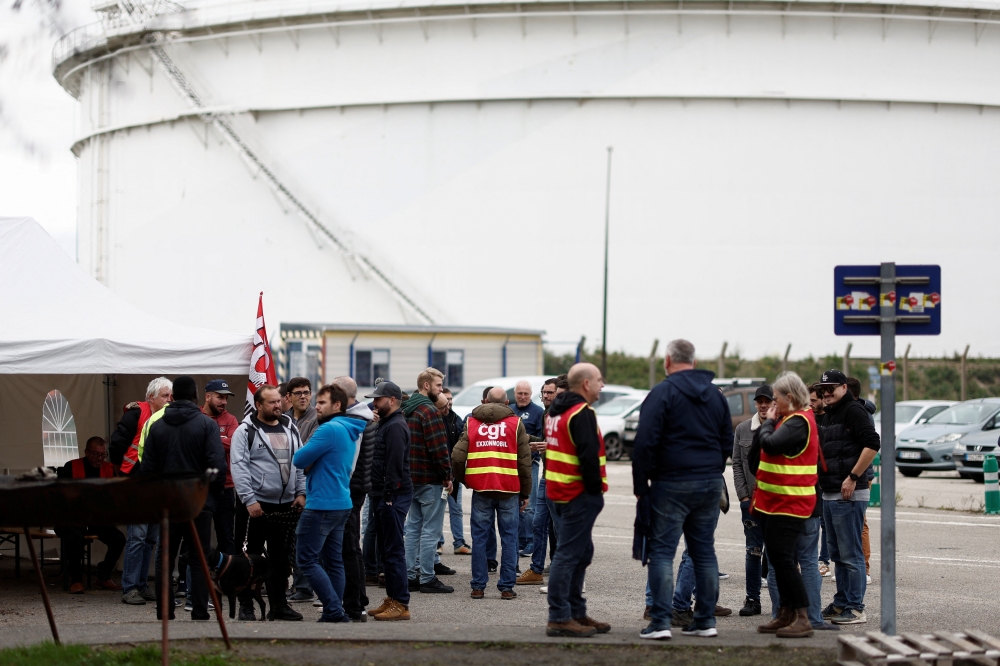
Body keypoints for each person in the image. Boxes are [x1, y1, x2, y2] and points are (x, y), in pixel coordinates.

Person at [633, 339, 731, 640]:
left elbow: (644, 442)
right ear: (694, 359)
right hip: (709, 482)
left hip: (671, 481)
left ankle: (661, 622)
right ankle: (704, 621)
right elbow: (727, 439)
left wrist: (641, 486)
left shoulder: (662, 392)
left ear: (667, 360)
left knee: (663, 552)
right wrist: (713, 468)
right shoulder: (716, 396)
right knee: (703, 552)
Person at [141, 375, 227, 621]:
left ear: (174, 396)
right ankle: (199, 611)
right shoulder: (206, 425)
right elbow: (218, 466)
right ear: (196, 396)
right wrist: (211, 499)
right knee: (199, 558)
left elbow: (148, 471)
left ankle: (164, 611)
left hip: (168, 503)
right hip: (198, 502)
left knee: (164, 558)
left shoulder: (157, 426)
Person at [750, 372, 820, 638]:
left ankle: (803, 617)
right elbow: (758, 453)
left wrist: (767, 422)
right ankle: (786, 612)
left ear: (788, 397)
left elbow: (769, 443)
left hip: (789, 502)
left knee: (783, 560)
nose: (772, 403)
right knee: (779, 560)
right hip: (773, 502)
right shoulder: (789, 420)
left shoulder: (798, 422)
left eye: (776, 397)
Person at [230, 384, 307, 621]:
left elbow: (300, 461)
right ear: (259, 405)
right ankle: (246, 606)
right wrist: (249, 500)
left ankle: (278, 606)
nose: (278, 405)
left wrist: (301, 492)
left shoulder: (290, 427)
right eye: (272, 402)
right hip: (256, 507)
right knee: (248, 559)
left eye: (278, 401)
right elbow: (239, 467)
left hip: (284, 507)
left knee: (280, 560)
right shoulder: (245, 431)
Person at [543, 363, 610, 638]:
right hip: (578, 494)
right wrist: (595, 492)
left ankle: (575, 612)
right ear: (585, 384)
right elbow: (588, 457)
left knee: (580, 553)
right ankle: (560, 617)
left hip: (560, 491)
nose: (602, 385)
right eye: (599, 380)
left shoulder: (555, 412)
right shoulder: (581, 413)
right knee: (569, 555)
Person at [293, 383, 365, 623]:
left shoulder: (329, 429)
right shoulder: (347, 427)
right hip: (340, 502)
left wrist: (311, 460)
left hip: (322, 505)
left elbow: (299, 458)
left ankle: (334, 610)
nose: (316, 406)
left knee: (306, 559)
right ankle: (336, 610)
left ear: (337, 405)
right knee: (334, 562)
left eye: (321, 402)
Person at [452, 387, 532, 600]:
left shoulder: (471, 422)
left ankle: (478, 586)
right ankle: (506, 587)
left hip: (482, 489)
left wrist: (466, 480)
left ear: (485, 401)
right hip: (509, 489)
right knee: (509, 538)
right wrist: (525, 492)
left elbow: (457, 457)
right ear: (507, 403)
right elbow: (524, 462)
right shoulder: (516, 424)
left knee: (479, 539)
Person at [816, 369, 880, 625]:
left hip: (848, 493)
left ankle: (855, 608)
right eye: (823, 390)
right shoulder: (830, 414)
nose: (826, 393)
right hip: (830, 492)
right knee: (838, 554)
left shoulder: (854, 410)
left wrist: (853, 477)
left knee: (851, 554)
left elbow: (872, 443)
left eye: (831, 388)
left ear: (844, 387)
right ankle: (842, 601)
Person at [109, 376, 172, 606]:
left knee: (149, 539)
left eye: (171, 396)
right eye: (165, 396)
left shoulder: (166, 419)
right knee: (137, 537)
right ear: (151, 397)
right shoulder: (135, 414)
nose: (169, 400)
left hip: (157, 486)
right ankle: (130, 587)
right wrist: (126, 473)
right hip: (136, 484)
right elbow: (116, 445)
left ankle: (142, 585)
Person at [402, 368, 455, 593]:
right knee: (430, 531)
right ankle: (426, 577)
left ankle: (410, 575)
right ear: (426, 385)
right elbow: (438, 448)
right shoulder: (429, 411)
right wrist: (447, 476)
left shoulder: (406, 409)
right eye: (438, 386)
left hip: (410, 478)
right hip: (430, 479)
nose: (440, 390)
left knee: (413, 528)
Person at [366, 381, 414, 621]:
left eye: (378, 399)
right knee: (386, 551)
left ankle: (401, 603)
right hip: (382, 494)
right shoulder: (386, 423)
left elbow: (394, 465)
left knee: (394, 551)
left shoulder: (395, 426)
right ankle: (392, 598)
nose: (374, 403)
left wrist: (387, 497)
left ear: (392, 400)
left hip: (392, 496)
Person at [332, 375, 377, 622]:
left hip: (348, 490)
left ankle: (354, 603)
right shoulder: (360, 417)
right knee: (350, 546)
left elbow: (347, 464)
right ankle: (357, 599)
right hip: (356, 488)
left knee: (348, 547)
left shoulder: (353, 421)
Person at [55, 437, 125, 594]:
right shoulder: (71, 467)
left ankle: (103, 576)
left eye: (103, 455)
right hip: (72, 518)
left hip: (96, 519)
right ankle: (76, 580)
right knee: (74, 537)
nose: (100, 459)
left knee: (118, 539)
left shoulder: (109, 469)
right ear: (86, 452)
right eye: (95, 454)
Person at [731, 385, 772, 617]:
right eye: (760, 402)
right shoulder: (743, 429)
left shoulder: (782, 427)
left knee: (777, 553)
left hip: (776, 502)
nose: (763, 405)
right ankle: (752, 599)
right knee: (753, 551)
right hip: (752, 503)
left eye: (767, 401)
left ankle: (781, 601)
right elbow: (737, 463)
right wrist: (743, 495)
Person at [517, 377, 559, 586]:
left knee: (559, 528)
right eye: (544, 392)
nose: (546, 396)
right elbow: (545, 441)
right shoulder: (546, 414)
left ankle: (565, 574)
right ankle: (536, 570)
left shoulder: (564, 415)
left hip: (561, 478)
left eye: (550, 392)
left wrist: (547, 446)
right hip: (547, 475)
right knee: (539, 523)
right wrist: (528, 441)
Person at [285, 377, 319, 604]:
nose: (303, 396)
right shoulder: (283, 419)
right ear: (289, 397)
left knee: (305, 540)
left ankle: (305, 587)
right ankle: (297, 584)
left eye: (306, 392)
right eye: (298, 393)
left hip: (309, 487)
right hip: (285, 488)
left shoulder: (317, 418)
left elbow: (310, 452)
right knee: (290, 541)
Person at [202, 380, 240, 556]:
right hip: (200, 487)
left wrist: (207, 440)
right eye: (220, 397)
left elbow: (235, 445)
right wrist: (220, 441)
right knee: (196, 537)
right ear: (207, 396)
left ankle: (229, 582)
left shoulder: (231, 419)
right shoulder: (197, 416)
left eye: (226, 398)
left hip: (226, 486)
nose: (224, 402)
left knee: (226, 537)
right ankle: (187, 582)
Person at [846, 376, 876, 585]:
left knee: (860, 522)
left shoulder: (858, 413)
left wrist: (854, 475)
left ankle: (863, 568)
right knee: (859, 522)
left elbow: (870, 443)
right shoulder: (862, 409)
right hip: (861, 472)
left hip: (859, 473)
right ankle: (861, 567)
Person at [510, 380, 544, 556]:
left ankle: (530, 541)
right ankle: (519, 540)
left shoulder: (538, 412)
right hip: (511, 465)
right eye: (519, 393)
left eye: (526, 394)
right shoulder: (509, 411)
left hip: (530, 464)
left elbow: (541, 438)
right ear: (514, 394)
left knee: (530, 506)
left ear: (531, 395)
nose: (522, 397)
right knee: (514, 505)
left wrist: (529, 449)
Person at [439, 388, 471, 555]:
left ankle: (459, 543)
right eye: (446, 399)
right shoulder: (434, 419)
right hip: (439, 474)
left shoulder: (456, 420)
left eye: (451, 399)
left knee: (456, 509)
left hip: (454, 473)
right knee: (438, 510)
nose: (449, 402)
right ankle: (438, 543)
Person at [809, 383, 832, 578]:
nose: (811, 404)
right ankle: (813, 559)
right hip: (811, 480)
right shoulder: (808, 420)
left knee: (825, 523)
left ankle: (824, 559)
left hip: (827, 478)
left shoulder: (831, 419)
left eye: (814, 400)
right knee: (814, 522)